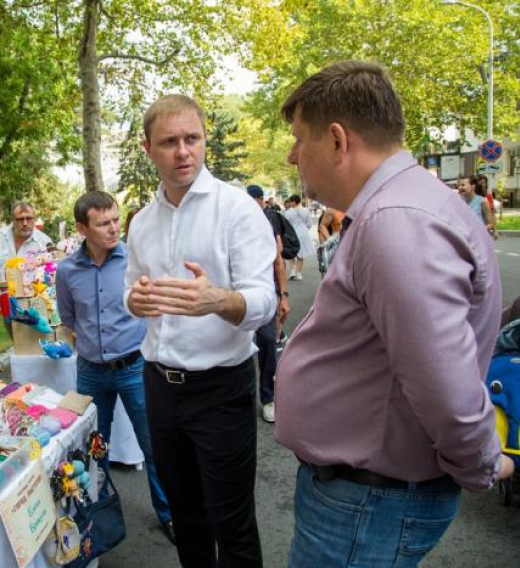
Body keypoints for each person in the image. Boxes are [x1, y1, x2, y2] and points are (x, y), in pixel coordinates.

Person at [275, 61, 513, 567]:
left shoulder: (395, 222)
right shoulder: (399, 208)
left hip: (370, 503)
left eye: (300, 139)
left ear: (338, 141)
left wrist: (481, 465)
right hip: (367, 497)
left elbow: (443, 383)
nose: (294, 154)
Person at [125, 94, 276, 567]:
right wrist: (134, 300)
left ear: (205, 140)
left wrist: (219, 300)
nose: (183, 151)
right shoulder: (141, 222)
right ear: (149, 149)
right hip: (160, 387)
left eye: (192, 138)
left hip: (219, 388)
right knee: (186, 521)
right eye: (169, 142)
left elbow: (265, 301)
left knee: (232, 526)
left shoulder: (236, 209)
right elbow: (131, 292)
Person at [55, 190, 174, 544]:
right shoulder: (67, 270)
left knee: (153, 444)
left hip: (135, 368)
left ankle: (170, 515)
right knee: (94, 447)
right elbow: (69, 318)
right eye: (103, 223)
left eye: (114, 220)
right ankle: (100, 516)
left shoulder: (133, 260)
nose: (113, 228)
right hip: (91, 372)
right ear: (81, 228)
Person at [247, 184, 290, 423]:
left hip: (266, 295)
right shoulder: (233, 224)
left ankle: (268, 398)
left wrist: (283, 296)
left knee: (267, 344)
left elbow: (278, 261)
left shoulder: (267, 222)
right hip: (237, 296)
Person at [0, 201, 52, 335]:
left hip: (34, 306)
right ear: (12, 220)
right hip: (6, 302)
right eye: (20, 219)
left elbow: (51, 274)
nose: (25, 223)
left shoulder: (44, 242)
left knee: (33, 344)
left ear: (34, 218)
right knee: (16, 344)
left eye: (29, 218)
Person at [282, 194, 316, 281]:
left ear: (294, 202)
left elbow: (287, 225)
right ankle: (299, 273)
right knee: (301, 254)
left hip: (292, 233)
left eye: (291, 201)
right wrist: (304, 228)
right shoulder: (305, 210)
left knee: (292, 253)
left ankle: (293, 271)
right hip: (303, 233)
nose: (290, 203)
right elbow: (309, 224)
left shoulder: (288, 212)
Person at [458, 174, 497, 238]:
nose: (459, 187)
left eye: (463, 185)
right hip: (464, 239)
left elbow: (491, 224)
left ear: (473, 186)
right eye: (459, 185)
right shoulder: (459, 201)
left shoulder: (482, 201)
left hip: (478, 239)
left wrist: (477, 230)